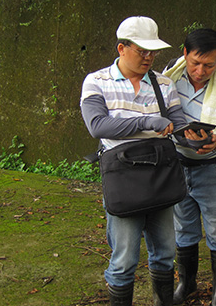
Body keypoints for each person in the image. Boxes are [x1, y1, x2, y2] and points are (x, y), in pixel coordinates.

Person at [80, 16, 194, 306]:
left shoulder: (164, 84)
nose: (149, 57)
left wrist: (196, 137)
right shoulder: (96, 81)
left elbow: (177, 126)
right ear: (121, 48)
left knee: (166, 251)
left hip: (160, 174)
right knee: (124, 258)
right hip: (123, 178)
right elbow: (98, 126)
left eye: (152, 52)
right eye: (142, 51)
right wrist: (148, 122)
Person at [162, 28, 216, 306]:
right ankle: (186, 283)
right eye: (195, 62)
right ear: (184, 53)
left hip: (212, 168)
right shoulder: (168, 77)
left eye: (209, 65)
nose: (200, 71)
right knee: (183, 227)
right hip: (177, 166)